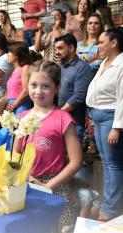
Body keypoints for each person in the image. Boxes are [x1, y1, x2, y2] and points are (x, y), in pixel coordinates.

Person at [15, 60, 82, 231]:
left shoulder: (64, 119)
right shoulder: (22, 116)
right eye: (34, 85)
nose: (38, 91)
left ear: (57, 87)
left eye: (45, 86)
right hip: (27, 184)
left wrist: (48, 186)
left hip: (55, 187)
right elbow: (16, 154)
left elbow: (76, 162)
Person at [86, 28, 123, 221]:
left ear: (114, 42)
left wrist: (117, 127)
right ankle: (109, 203)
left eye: (101, 42)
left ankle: (111, 208)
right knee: (107, 163)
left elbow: (122, 98)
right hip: (98, 116)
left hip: (110, 117)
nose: (98, 46)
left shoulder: (121, 63)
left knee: (114, 165)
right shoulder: (105, 63)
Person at [55, 33, 93, 141]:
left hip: (74, 122)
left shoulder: (82, 68)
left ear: (71, 48)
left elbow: (78, 97)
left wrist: (59, 113)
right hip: (61, 118)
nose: (57, 52)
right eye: (56, 49)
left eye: (60, 48)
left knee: (74, 155)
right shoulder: (60, 67)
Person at [6, 42, 33, 116]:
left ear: (17, 55)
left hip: (21, 105)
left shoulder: (25, 68)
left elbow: (26, 91)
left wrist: (13, 106)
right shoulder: (15, 70)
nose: (7, 54)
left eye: (10, 52)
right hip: (12, 105)